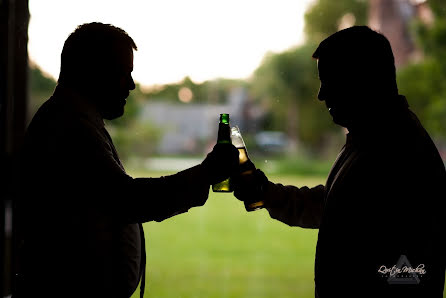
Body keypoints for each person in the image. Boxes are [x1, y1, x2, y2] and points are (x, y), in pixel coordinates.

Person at [18, 22, 239, 298]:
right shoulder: (71, 126)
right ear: (93, 71)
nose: (132, 85)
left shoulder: (69, 119)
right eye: (124, 73)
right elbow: (126, 200)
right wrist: (205, 174)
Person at [233, 26, 446, 298]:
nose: (321, 95)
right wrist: (263, 192)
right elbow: (334, 206)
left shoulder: (396, 152)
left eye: (330, 80)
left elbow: (408, 274)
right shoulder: (377, 139)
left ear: (363, 78)